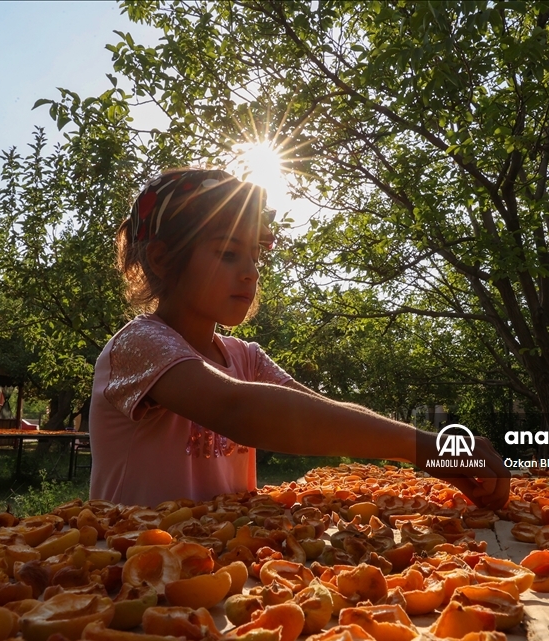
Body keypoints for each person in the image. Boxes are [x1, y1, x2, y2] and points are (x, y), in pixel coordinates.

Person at [89, 168, 512, 509]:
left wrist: (428, 451)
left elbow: (318, 412)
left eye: (255, 254)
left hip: (218, 575)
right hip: (132, 575)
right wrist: (422, 447)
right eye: (228, 253)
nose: (251, 271)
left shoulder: (244, 357)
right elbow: (238, 409)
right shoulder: (138, 345)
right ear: (163, 260)